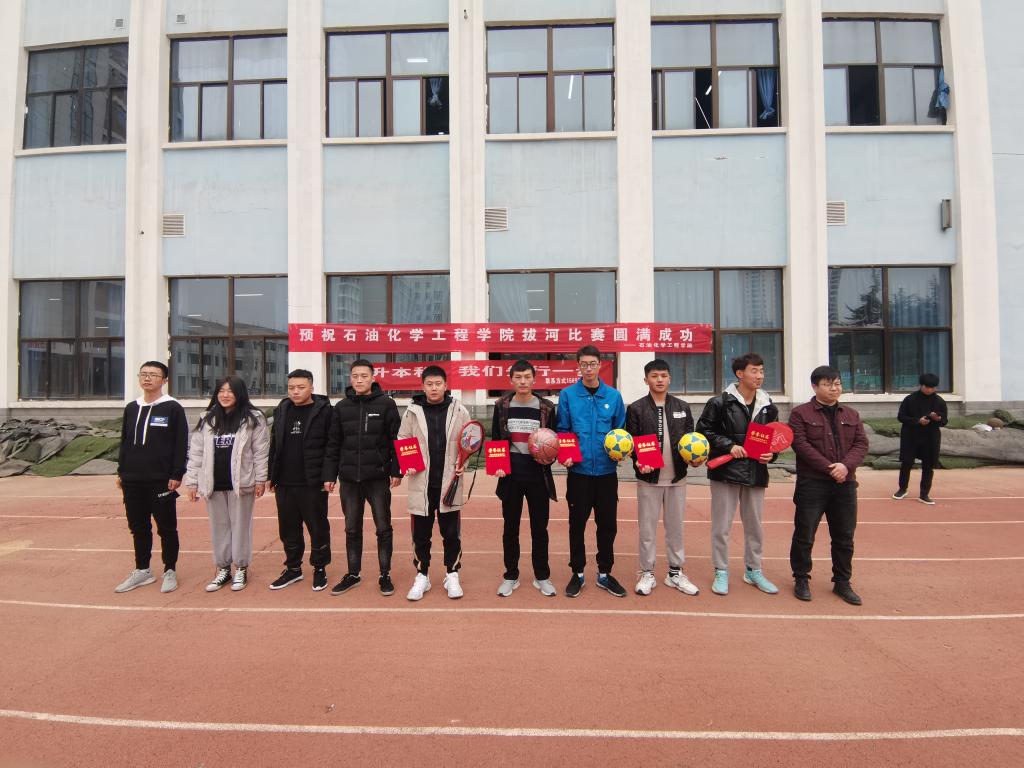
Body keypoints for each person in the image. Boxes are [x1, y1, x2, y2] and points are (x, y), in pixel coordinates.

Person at [696, 352, 780, 597]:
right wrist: (728, 445)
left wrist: (772, 455)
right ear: (740, 374)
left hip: (756, 472)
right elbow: (703, 431)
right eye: (754, 371)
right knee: (721, 526)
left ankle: (753, 570)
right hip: (726, 472)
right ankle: (721, 570)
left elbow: (775, 439)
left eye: (762, 371)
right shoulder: (720, 403)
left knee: (755, 526)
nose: (759, 376)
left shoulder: (768, 405)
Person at [788, 366, 869, 605]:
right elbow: (801, 445)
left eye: (837, 383)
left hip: (845, 484)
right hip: (812, 484)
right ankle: (801, 578)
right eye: (828, 384)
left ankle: (842, 582)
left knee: (844, 536)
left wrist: (845, 466)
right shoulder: (800, 414)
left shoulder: (851, 414)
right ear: (815, 386)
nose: (834, 388)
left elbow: (861, 444)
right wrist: (830, 468)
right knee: (805, 534)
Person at [322, 359, 401, 596]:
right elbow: (333, 444)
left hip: (377, 478)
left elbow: (397, 439)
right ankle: (353, 574)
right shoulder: (341, 407)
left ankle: (385, 574)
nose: (359, 380)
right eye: (355, 376)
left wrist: (396, 470)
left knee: (383, 527)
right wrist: (329, 475)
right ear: (350, 379)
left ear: (373, 378)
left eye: (364, 376)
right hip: (349, 480)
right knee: (351, 529)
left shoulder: (387, 404)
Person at [184, 376, 270, 592]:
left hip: (242, 483)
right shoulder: (207, 419)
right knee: (219, 527)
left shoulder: (253, 419)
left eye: (230, 391)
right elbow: (196, 453)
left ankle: (241, 567)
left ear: (240, 393)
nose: (225, 395)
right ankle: (223, 568)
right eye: (221, 391)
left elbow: (260, 452)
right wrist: (192, 482)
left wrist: (261, 479)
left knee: (240, 526)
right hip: (213, 484)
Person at [556, 345, 627, 598]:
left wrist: (623, 451)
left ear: (600, 365)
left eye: (592, 364)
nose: (588, 369)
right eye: (584, 364)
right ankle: (577, 573)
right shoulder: (568, 395)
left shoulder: (614, 397)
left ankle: (605, 573)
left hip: (607, 474)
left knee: (607, 525)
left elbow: (621, 431)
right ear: (578, 366)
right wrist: (565, 455)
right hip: (579, 472)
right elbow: (563, 430)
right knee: (577, 524)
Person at [625, 359, 700, 597]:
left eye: (664, 375)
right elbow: (631, 442)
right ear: (646, 379)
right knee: (647, 529)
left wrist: (695, 458)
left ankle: (675, 572)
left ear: (670, 378)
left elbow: (691, 439)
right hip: (649, 479)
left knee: (675, 528)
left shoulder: (682, 406)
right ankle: (647, 572)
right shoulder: (636, 408)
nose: (659, 380)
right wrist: (637, 460)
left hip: (677, 478)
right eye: (654, 376)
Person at [396, 365, 471, 600]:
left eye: (438, 384)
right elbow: (403, 438)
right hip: (421, 483)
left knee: (451, 534)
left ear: (446, 385)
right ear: (423, 386)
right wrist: (407, 462)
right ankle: (423, 576)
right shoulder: (412, 411)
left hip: (450, 483)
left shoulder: (459, 410)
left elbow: (468, 440)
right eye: (429, 384)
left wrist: (464, 462)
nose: (434, 388)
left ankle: (452, 574)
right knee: (421, 535)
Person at [114, 361, 188, 594]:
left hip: (161, 480)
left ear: (164, 380)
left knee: (167, 528)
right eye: (144, 374)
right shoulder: (131, 408)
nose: (147, 378)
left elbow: (180, 443)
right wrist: (121, 471)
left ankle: (170, 570)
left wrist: (177, 473)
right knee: (138, 527)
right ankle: (142, 570)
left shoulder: (172, 408)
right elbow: (125, 442)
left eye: (154, 375)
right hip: (132, 480)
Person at [491, 359, 559, 598]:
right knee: (510, 528)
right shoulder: (502, 405)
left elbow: (554, 440)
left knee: (539, 528)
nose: (523, 381)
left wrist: (550, 456)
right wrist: (498, 466)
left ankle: (542, 576)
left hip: (538, 476)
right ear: (511, 380)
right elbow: (497, 439)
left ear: (534, 379)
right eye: (518, 377)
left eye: (527, 377)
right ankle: (511, 575)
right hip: (511, 476)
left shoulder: (546, 407)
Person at [267, 369, 333, 592]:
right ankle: (293, 568)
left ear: (312, 387)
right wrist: (271, 475)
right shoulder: (282, 409)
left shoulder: (324, 411)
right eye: (291, 388)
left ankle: (320, 568)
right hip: (285, 482)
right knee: (288, 529)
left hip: (312, 482)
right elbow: (274, 444)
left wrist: (328, 476)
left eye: (301, 387)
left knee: (318, 528)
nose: (295, 392)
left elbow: (331, 446)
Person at [893, 372, 948, 505]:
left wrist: (938, 419)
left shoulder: (939, 401)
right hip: (911, 435)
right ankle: (902, 489)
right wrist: (918, 421)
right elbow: (901, 417)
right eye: (926, 387)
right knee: (906, 463)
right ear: (921, 385)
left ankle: (924, 494)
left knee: (928, 465)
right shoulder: (910, 399)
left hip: (931, 437)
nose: (929, 390)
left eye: (932, 387)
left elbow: (945, 421)